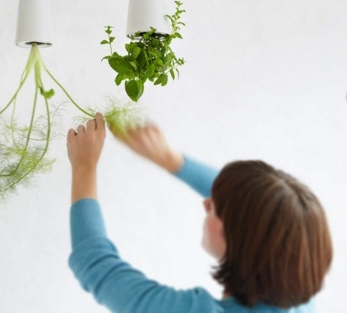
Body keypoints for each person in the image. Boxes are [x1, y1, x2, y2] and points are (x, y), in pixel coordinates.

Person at [66, 113, 333, 313]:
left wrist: (84, 166)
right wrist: (171, 160)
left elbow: (95, 263)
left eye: (217, 209)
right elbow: (257, 208)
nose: (207, 203)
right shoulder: (298, 294)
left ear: (240, 241)